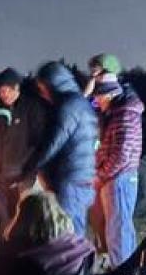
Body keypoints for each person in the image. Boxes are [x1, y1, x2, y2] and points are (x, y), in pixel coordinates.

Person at [25, 61, 98, 238]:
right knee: (76, 233)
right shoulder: (82, 104)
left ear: (52, 84)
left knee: (65, 233)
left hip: (70, 180)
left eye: (43, 87)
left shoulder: (68, 106)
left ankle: (70, 265)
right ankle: (80, 264)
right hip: (82, 178)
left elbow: (53, 143)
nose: (42, 93)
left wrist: (29, 167)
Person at [86, 54, 145, 267]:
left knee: (118, 231)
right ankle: (120, 271)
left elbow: (121, 155)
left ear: (109, 95)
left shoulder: (125, 112)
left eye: (99, 98)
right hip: (111, 178)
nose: (97, 102)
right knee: (114, 229)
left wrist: (99, 175)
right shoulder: (113, 110)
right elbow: (84, 107)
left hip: (119, 179)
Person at [0, 67, 47, 228]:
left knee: (21, 215)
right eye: (1, 91)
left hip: (21, 173)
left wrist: (31, 170)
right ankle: (4, 247)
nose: (3, 94)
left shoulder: (30, 108)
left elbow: (39, 141)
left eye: (7, 90)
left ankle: (21, 249)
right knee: (2, 216)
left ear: (16, 88)